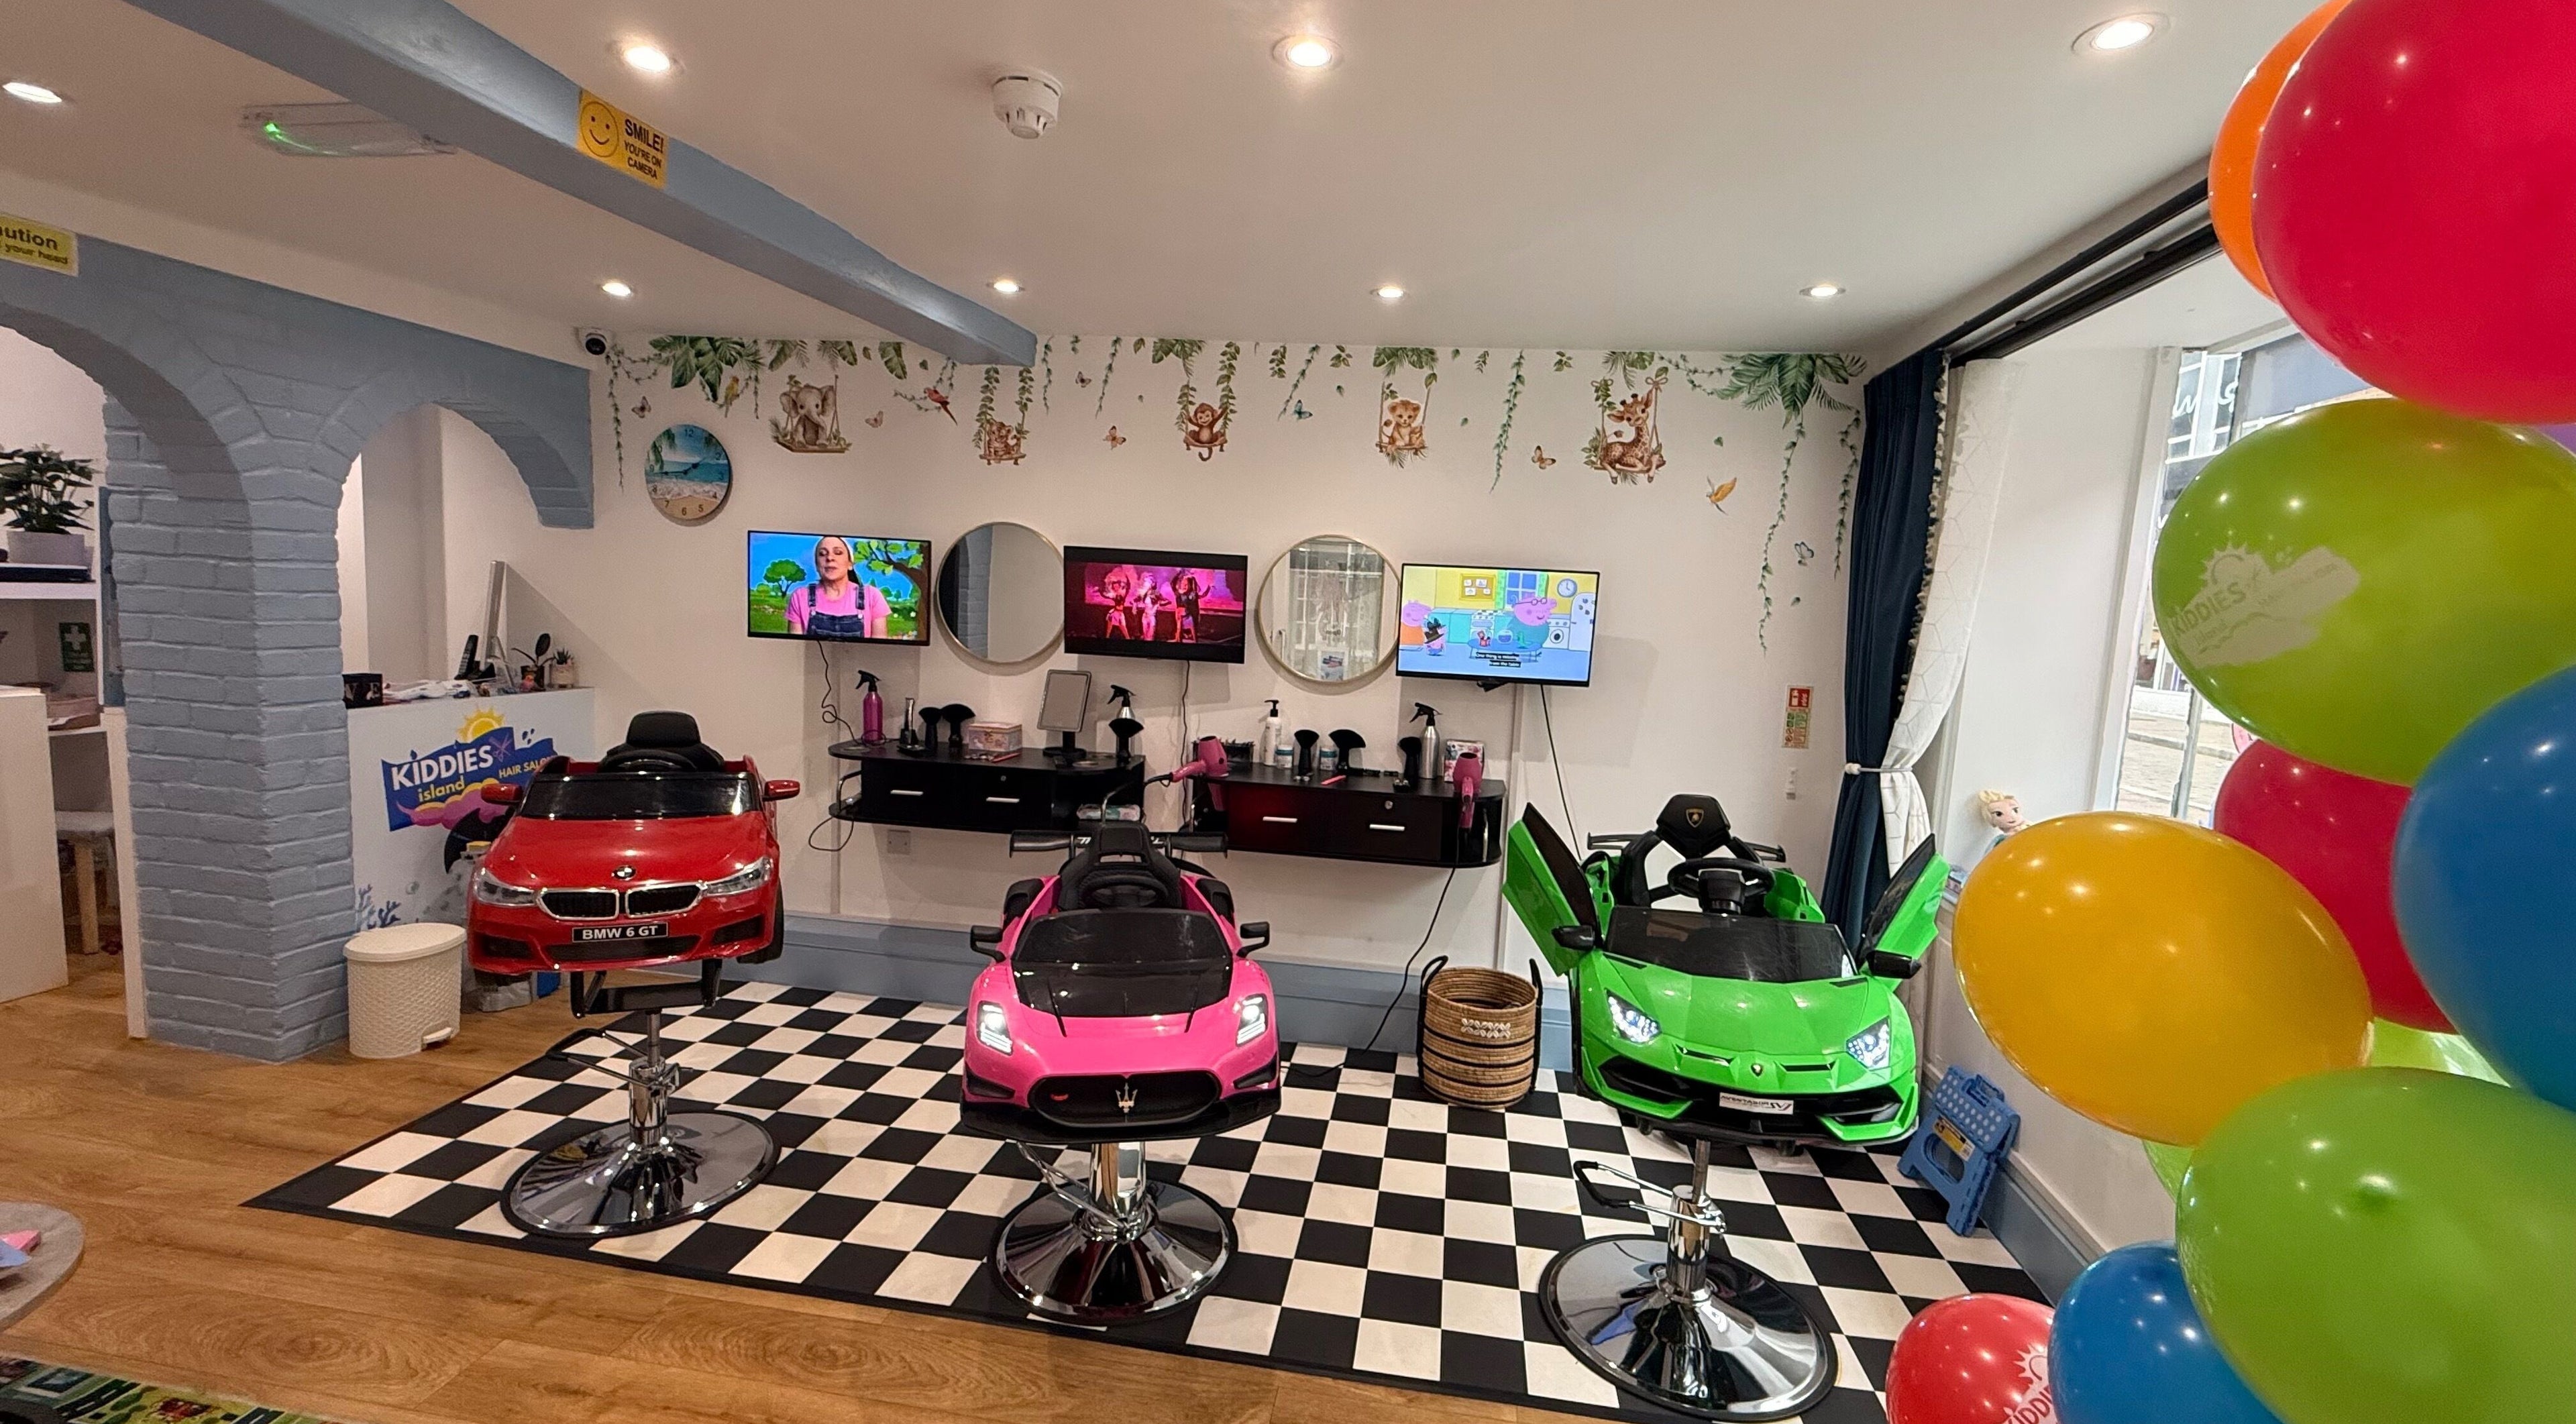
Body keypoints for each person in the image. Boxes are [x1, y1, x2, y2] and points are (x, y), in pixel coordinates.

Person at [787, 535, 890, 639]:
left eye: (838, 553)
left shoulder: (872, 596)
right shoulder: (800, 597)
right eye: (822, 554)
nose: (830, 558)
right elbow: (796, 649)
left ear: (850, 564)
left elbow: (879, 651)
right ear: (817, 565)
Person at [1172, 569, 1203, 643]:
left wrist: (1193, 578)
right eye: (1183, 584)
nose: (1184, 586)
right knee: (1179, 628)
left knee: (1193, 628)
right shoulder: (1178, 594)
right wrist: (1178, 575)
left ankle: (1195, 642)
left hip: (1188, 614)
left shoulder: (1191, 594)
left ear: (1190, 585)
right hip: (1180, 614)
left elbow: (1196, 590)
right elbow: (1173, 584)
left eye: (1186, 584)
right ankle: (1179, 641)